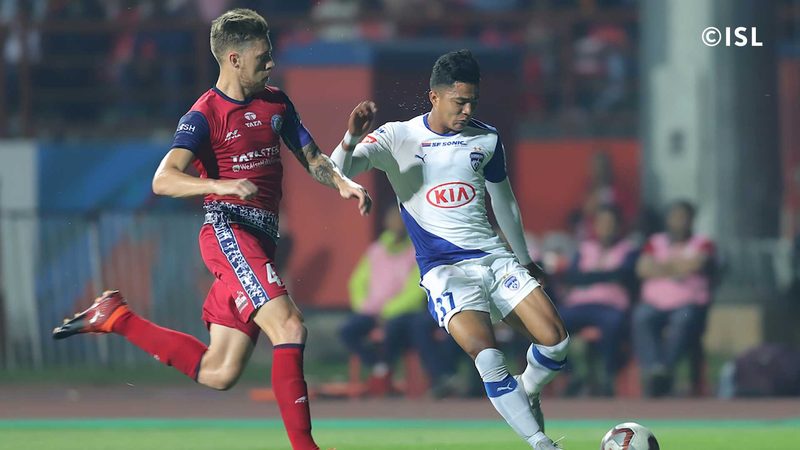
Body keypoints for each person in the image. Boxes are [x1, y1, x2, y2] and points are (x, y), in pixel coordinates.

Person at [52, 9, 373, 450]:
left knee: (219, 372)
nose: (271, 63)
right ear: (234, 59)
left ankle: (115, 318)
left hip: (259, 241)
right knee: (290, 326)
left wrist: (343, 183)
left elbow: (313, 158)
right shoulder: (203, 115)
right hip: (228, 232)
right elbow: (163, 179)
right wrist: (217, 185)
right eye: (262, 56)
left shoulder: (277, 103)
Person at [331, 49, 569, 450]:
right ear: (434, 96)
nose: (467, 110)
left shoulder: (486, 138)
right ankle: (540, 442)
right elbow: (338, 171)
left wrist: (525, 259)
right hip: (445, 270)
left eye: (473, 101)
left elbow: (504, 202)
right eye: (460, 102)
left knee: (557, 343)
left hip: (495, 260)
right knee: (488, 357)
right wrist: (351, 137)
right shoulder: (398, 137)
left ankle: (526, 390)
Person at [339, 207, 426, 396]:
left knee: (393, 330)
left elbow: (416, 289)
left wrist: (387, 311)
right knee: (347, 331)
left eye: (400, 220)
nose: (397, 224)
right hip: (371, 311)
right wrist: (365, 307)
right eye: (393, 220)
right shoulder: (376, 250)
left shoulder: (417, 251)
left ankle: (385, 373)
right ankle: (379, 366)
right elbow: (357, 282)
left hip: (401, 313)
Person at [633, 200, 715, 397]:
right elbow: (642, 269)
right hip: (654, 304)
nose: (679, 222)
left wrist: (660, 267)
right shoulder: (655, 242)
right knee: (641, 317)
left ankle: (665, 369)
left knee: (682, 321)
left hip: (688, 304)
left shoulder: (702, 243)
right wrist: (678, 266)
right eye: (675, 217)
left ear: (691, 220)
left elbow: (696, 264)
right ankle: (654, 368)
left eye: (683, 217)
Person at [559, 205, 638, 396]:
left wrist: (589, 276)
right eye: (601, 223)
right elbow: (572, 277)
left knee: (614, 324)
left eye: (610, 223)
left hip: (610, 306)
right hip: (579, 305)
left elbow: (625, 274)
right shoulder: (585, 248)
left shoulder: (628, 249)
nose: (606, 227)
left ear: (619, 226)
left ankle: (607, 376)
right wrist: (607, 275)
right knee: (552, 323)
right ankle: (573, 374)